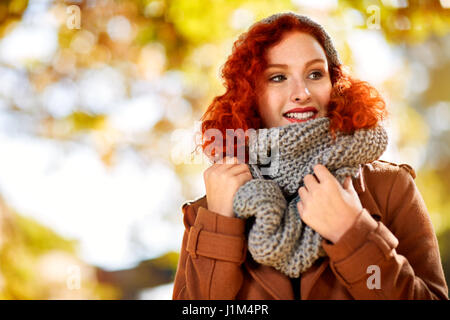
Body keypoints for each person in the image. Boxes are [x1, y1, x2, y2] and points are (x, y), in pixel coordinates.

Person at [172, 12, 448, 300]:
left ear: (335, 86)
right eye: (278, 77)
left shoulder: (390, 187)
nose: (301, 93)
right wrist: (219, 224)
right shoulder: (209, 208)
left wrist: (352, 234)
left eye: (315, 74)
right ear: (250, 95)